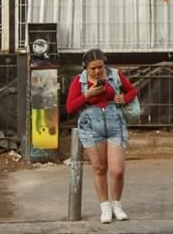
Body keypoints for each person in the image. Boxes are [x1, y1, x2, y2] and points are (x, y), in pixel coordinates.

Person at [65, 48, 139, 224]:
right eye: (93, 68)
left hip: (115, 123)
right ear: (86, 68)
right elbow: (70, 107)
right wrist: (87, 95)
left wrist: (124, 99)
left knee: (117, 170)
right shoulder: (79, 81)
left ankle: (117, 204)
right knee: (99, 168)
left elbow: (132, 91)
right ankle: (104, 206)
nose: (97, 71)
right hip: (91, 126)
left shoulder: (115, 75)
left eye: (100, 67)